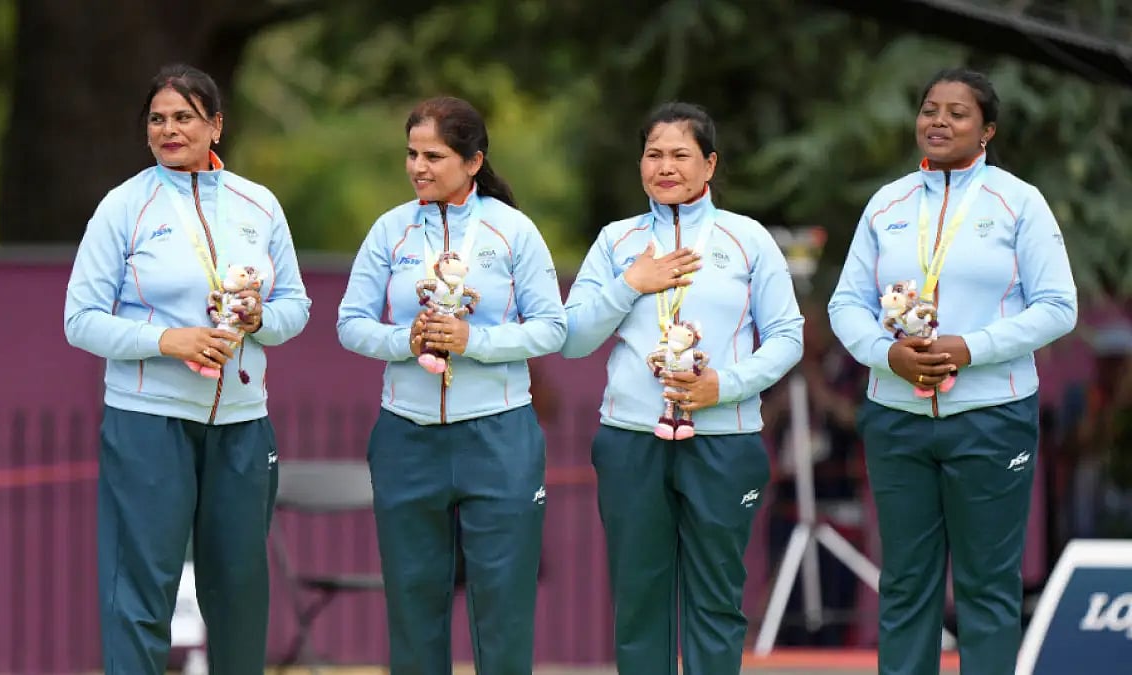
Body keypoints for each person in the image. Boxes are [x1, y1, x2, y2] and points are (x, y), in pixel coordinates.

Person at [827, 67, 1077, 675]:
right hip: (897, 417)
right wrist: (887, 354)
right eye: (929, 108)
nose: (938, 121)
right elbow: (845, 304)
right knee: (906, 584)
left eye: (957, 113)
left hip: (991, 418)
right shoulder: (886, 204)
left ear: (986, 130)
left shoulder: (1018, 202)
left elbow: (1058, 306)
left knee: (987, 586)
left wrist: (972, 347)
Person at [64, 63, 311, 674]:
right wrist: (169, 340)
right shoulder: (124, 206)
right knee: (141, 590)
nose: (168, 130)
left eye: (184, 117)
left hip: (244, 422)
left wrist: (257, 320)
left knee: (240, 592)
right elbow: (80, 320)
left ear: (216, 126)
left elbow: (297, 309)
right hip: (149, 421)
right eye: (157, 118)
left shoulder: (260, 204)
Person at [562, 102, 804, 675]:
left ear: (709, 164)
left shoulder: (747, 240)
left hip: (724, 439)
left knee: (716, 601)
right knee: (640, 602)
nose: (664, 167)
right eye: (653, 154)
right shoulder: (617, 241)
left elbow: (788, 336)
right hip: (631, 439)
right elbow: (571, 337)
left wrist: (724, 385)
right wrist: (630, 284)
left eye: (680, 155)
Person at [336, 96, 566, 674]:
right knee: (414, 604)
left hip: (500, 435)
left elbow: (551, 328)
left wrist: (474, 342)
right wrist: (403, 341)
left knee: (502, 607)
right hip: (407, 437)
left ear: (472, 160)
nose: (418, 167)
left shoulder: (512, 230)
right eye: (412, 154)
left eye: (434, 155)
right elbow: (349, 323)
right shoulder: (390, 229)